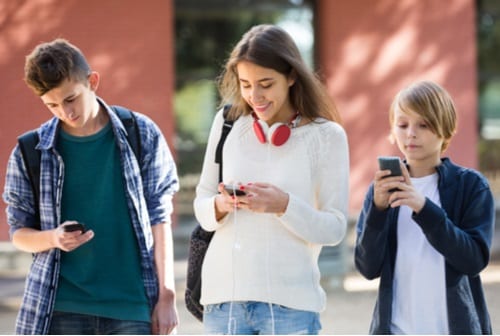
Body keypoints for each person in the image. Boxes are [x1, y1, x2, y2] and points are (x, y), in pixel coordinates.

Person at [2, 39, 179, 335]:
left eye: (71, 99)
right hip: (60, 308)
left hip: (132, 305)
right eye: (53, 105)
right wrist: (54, 238)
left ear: (92, 81)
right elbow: (19, 234)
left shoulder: (141, 133)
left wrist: (167, 296)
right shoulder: (30, 150)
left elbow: (160, 219)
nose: (65, 112)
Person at [193, 24, 349, 335]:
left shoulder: (327, 136)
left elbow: (334, 228)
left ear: (292, 76)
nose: (255, 96)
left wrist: (284, 206)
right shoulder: (226, 124)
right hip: (225, 303)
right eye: (246, 84)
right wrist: (221, 205)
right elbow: (202, 204)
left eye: (266, 84)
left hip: (291, 305)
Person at [354, 80, 495, 334]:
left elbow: (473, 260)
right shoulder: (382, 189)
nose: (411, 133)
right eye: (403, 124)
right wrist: (377, 211)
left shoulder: (471, 186)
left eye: (424, 124)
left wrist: (425, 209)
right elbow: (367, 268)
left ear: (446, 130)